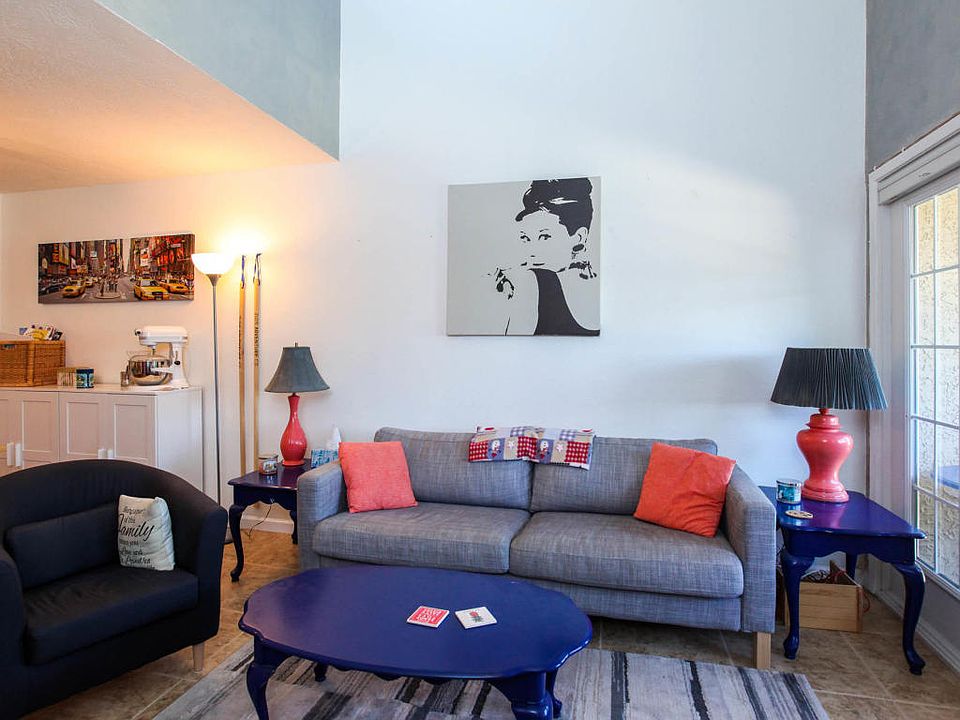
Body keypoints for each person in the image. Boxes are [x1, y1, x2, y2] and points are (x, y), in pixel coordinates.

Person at [495, 178, 599, 335]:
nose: (532, 251)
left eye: (545, 237)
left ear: (579, 237)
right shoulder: (597, 287)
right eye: (525, 238)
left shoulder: (530, 281)